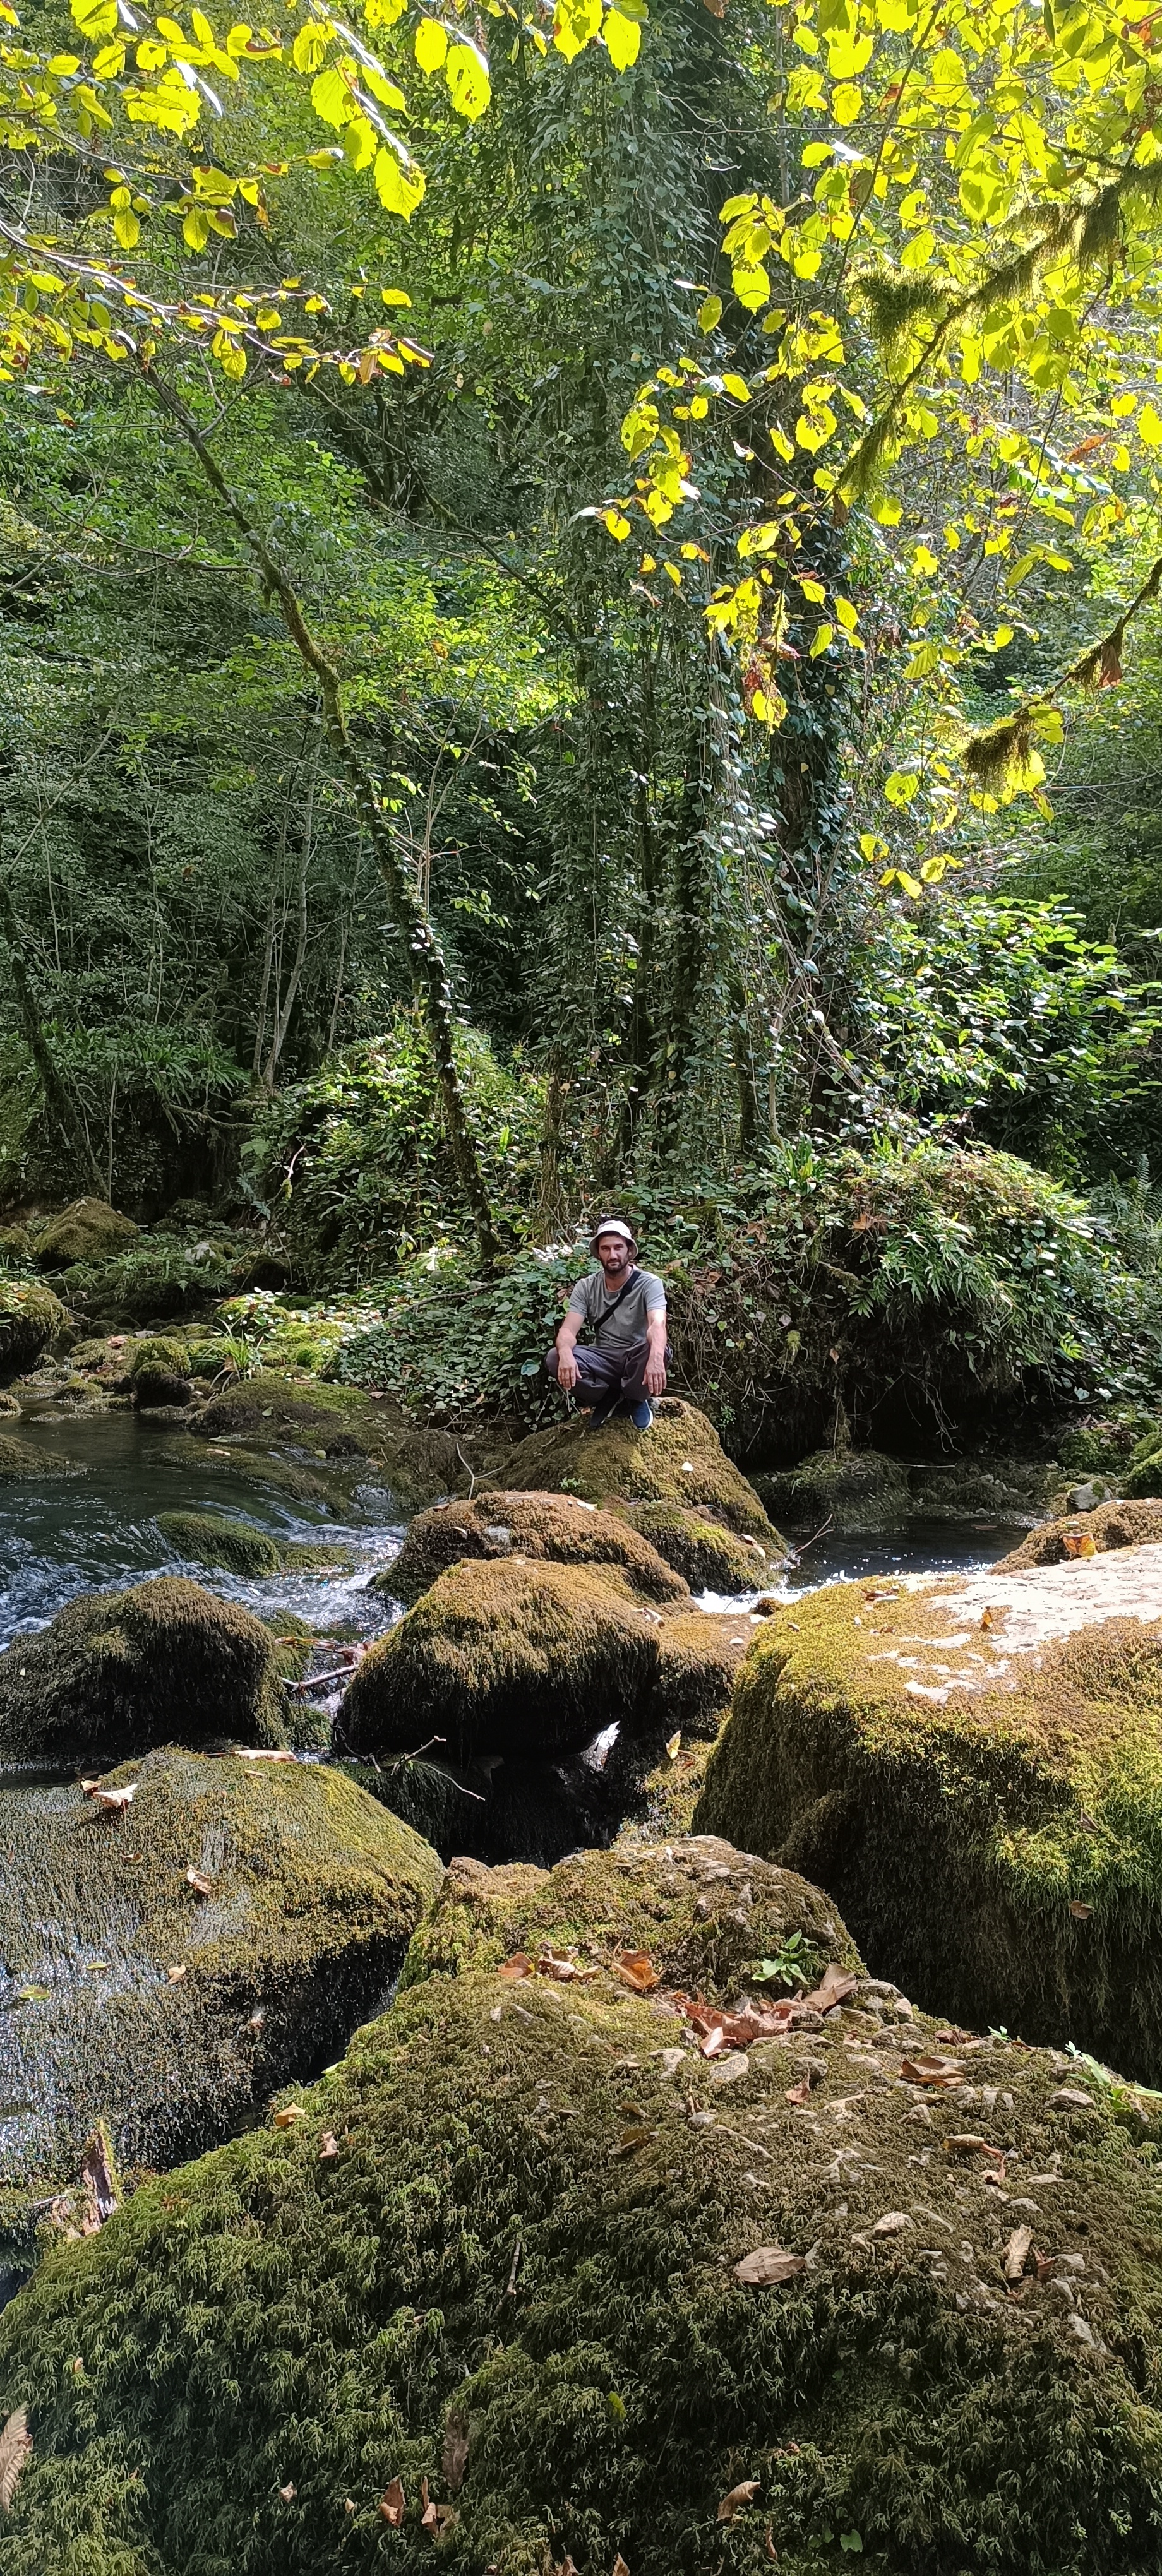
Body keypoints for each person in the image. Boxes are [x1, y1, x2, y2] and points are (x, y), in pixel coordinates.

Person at [545, 1218, 669, 1431]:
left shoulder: (650, 1283)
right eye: (606, 1249)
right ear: (598, 1254)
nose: (613, 1255)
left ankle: (636, 1398)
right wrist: (565, 1352)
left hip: (636, 1358)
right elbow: (568, 1329)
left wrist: (656, 1359)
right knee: (555, 1357)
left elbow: (657, 1324)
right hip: (603, 1358)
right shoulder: (586, 1286)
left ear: (629, 1251)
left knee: (657, 1348)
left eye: (618, 1247)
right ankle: (608, 1396)